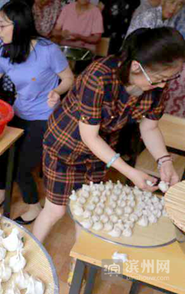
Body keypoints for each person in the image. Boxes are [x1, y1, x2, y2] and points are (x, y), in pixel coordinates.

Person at [35, 27, 185, 246]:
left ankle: (78, 267)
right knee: (55, 210)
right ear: (136, 66)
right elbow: (89, 137)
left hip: (101, 152)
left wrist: (164, 161)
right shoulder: (99, 76)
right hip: (66, 145)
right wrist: (130, 172)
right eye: (158, 79)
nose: (162, 85)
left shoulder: (156, 87)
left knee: (87, 210)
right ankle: (27, 254)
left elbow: (150, 128)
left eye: (168, 78)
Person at [0, 0, 74, 223]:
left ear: (19, 25)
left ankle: (34, 206)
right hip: (19, 111)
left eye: (3, 25)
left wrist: (57, 91)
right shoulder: (6, 52)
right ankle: (3, 192)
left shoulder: (47, 50)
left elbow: (69, 78)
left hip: (44, 116)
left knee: (23, 166)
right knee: (1, 157)